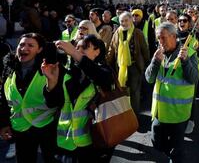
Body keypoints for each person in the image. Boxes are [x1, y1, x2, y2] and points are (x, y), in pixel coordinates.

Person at [42, 35, 115, 162]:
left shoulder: (104, 70)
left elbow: (102, 78)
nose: (78, 50)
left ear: (97, 52)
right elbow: (53, 103)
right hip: (66, 143)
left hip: (95, 142)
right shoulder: (68, 73)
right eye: (76, 47)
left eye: (84, 47)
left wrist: (75, 53)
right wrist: (51, 82)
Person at [0, 33, 58, 162]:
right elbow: (4, 99)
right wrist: (3, 123)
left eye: (30, 45)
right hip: (20, 129)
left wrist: (52, 83)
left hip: (46, 128)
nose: (24, 48)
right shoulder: (9, 68)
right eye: (21, 44)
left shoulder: (49, 69)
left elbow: (56, 101)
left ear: (40, 49)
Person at [145, 22, 199, 163]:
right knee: (156, 142)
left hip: (178, 113)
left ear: (174, 36)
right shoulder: (159, 52)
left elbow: (193, 78)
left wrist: (185, 61)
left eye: (163, 37)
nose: (160, 42)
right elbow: (149, 78)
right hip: (159, 111)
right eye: (158, 38)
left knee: (176, 152)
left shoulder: (189, 53)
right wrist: (155, 62)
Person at [106, 12, 149, 116]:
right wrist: (107, 61)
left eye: (126, 20)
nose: (124, 23)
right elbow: (112, 48)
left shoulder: (138, 32)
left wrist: (146, 63)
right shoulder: (117, 33)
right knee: (122, 91)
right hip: (120, 67)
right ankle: (125, 114)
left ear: (131, 20)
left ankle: (135, 115)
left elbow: (144, 49)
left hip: (134, 66)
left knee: (134, 92)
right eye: (121, 21)